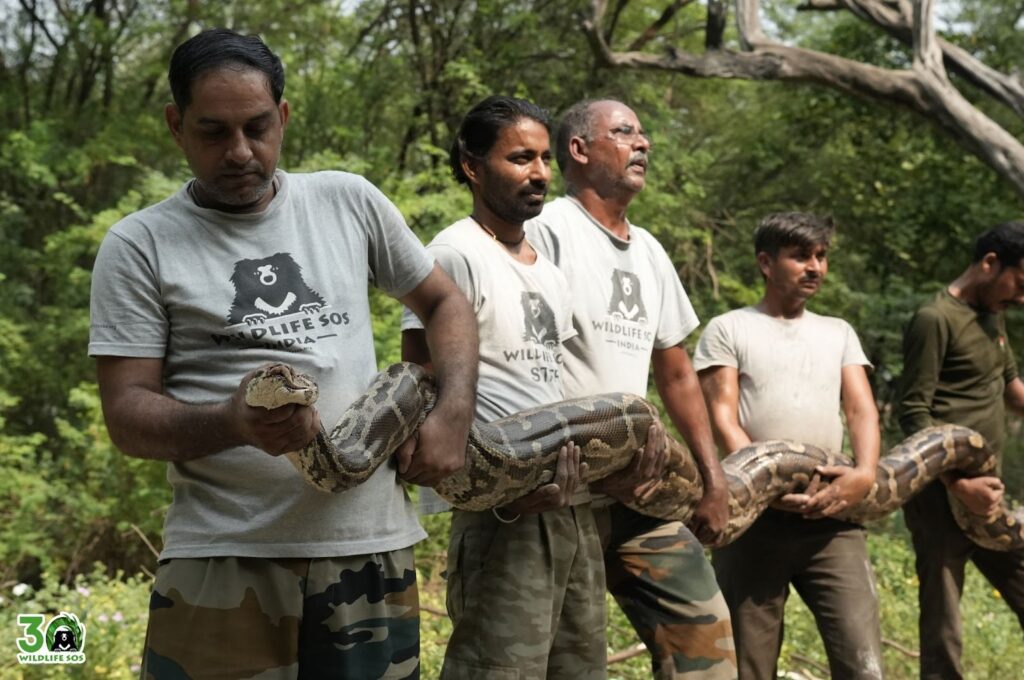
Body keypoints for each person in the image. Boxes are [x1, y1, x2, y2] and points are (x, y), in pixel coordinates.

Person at [88, 28, 479, 679]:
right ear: (175, 125)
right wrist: (231, 422)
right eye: (213, 132)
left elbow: (445, 304)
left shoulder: (347, 201)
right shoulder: (139, 245)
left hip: (369, 551)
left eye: (258, 127)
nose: (241, 152)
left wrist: (453, 412)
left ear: (285, 117)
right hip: (221, 561)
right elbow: (126, 415)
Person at [401, 95, 612, 679]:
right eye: (521, 158)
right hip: (502, 514)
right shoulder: (453, 253)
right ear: (472, 166)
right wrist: (496, 495)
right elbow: (418, 385)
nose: (540, 173)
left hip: (567, 505)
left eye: (545, 159)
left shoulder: (546, 267)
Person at [526, 99, 737, 679]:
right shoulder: (547, 231)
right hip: (563, 491)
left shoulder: (649, 251)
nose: (642, 144)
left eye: (643, 134)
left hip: (643, 489)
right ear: (579, 149)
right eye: (624, 133)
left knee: (707, 648)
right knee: (563, 661)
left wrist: (711, 479)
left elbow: (675, 373)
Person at [694, 213, 883, 680]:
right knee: (748, 666)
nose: (815, 267)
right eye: (801, 256)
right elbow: (723, 416)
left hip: (833, 518)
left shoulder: (837, 331)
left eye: (820, 256)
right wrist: (765, 479)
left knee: (863, 664)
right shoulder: (729, 328)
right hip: (754, 520)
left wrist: (865, 473)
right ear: (765, 262)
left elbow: (861, 410)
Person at [897, 221, 1024, 680]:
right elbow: (913, 412)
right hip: (939, 494)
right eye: (1021, 282)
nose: (1023, 297)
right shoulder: (935, 318)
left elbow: (1010, 389)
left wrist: (977, 489)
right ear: (990, 263)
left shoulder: (994, 315)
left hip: (988, 493)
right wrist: (958, 483)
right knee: (943, 622)